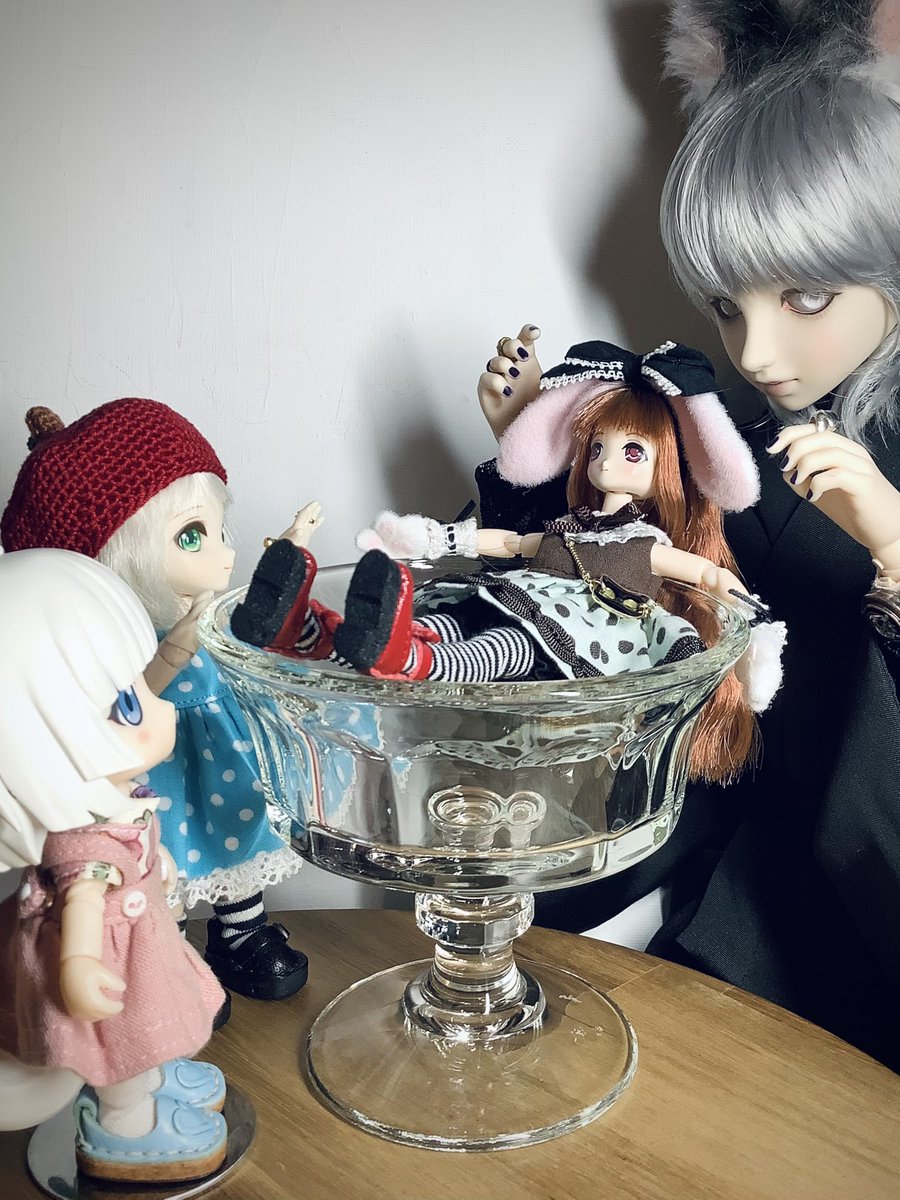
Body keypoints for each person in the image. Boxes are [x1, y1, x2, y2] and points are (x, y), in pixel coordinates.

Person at [476, 1, 900, 1070]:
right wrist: (539, 459)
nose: (756, 350)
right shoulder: (743, 442)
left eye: (809, 295)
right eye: (726, 306)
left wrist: (897, 555)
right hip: (746, 842)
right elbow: (636, 576)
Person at [233, 340, 785, 785]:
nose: (603, 462)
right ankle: (308, 632)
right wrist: (433, 538)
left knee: (505, 647)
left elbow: (706, 574)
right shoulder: (568, 525)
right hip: (515, 596)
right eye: (596, 447)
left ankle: (413, 662)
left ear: (666, 469)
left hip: (581, 631)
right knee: (451, 620)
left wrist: (755, 631)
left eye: (632, 451)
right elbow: (509, 544)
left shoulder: (643, 544)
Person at [1, 398, 315, 1001]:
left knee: (237, 831)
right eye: (191, 536)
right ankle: (167, 957)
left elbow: (261, 626)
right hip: (153, 768)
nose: (223, 552)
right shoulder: (109, 649)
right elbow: (134, 692)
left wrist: (288, 557)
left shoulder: (212, 613)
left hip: (223, 752)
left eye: (218, 529)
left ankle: (242, 931)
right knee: (159, 858)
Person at [0, 549, 228, 1182]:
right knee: (119, 1041)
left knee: (148, 1028)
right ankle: (125, 1125)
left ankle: (148, 1078)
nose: (162, 709)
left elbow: (137, 844)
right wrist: (77, 966)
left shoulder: (113, 797)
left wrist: (160, 865)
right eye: (129, 706)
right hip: (108, 960)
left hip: (137, 943)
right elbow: (83, 901)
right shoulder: (81, 840)